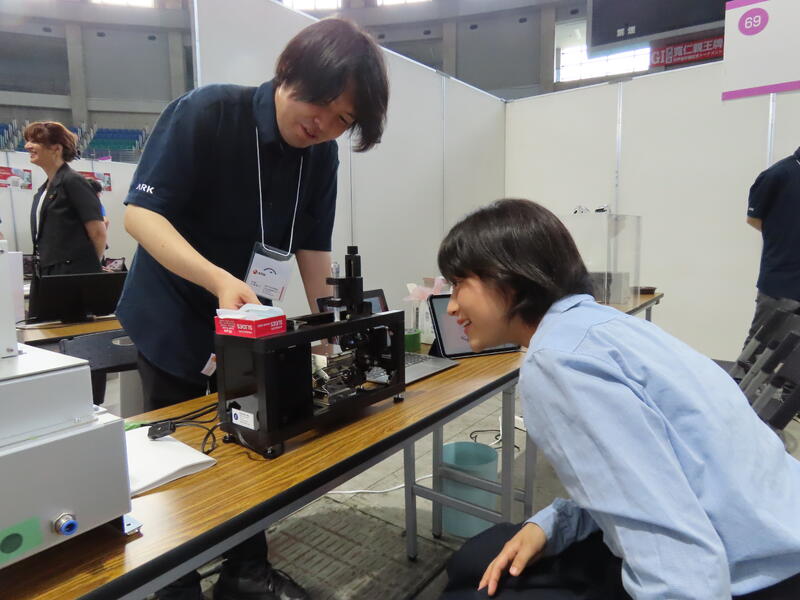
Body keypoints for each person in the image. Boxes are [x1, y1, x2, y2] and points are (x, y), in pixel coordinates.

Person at [116, 18, 388, 600]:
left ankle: (244, 570)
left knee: (253, 438)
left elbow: (312, 245)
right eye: (320, 102)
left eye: (342, 119)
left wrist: (326, 324)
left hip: (247, 323)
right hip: (173, 314)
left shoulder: (321, 157)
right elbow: (140, 216)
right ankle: (176, 584)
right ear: (290, 71)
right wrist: (218, 280)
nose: (323, 124)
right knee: (175, 453)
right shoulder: (209, 112)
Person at [437, 199, 800, 600]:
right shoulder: (602, 325)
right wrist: (556, 523)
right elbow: (646, 472)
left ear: (508, 276)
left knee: (471, 587)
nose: (451, 306)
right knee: (477, 559)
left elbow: (674, 550)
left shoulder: (556, 362)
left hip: (751, 573)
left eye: (458, 284)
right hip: (776, 530)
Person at [24, 121, 106, 275]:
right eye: (28, 141)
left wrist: (88, 273)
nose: (27, 146)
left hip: (71, 274)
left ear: (56, 148)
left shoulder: (72, 181)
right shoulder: (43, 190)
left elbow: (98, 233)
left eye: (35, 141)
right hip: (48, 271)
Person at [743, 147, 800, 344]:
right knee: (761, 347)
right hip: (781, 281)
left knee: (793, 354)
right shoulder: (778, 174)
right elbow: (754, 219)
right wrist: (786, 239)